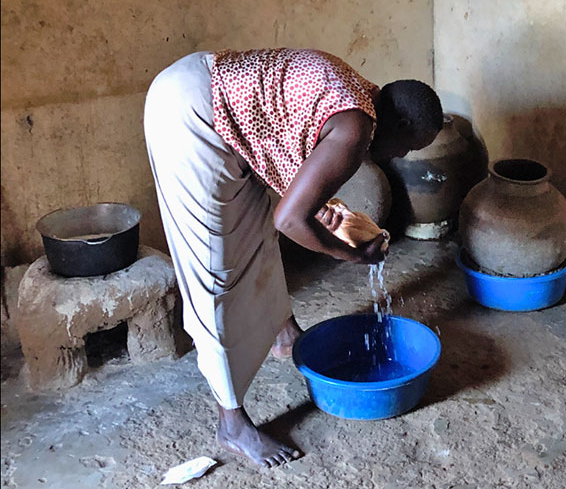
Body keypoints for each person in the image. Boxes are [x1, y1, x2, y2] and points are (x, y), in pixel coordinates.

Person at [143, 48, 443, 468]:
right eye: (411, 146)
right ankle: (231, 422)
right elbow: (291, 219)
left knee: (255, 230)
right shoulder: (356, 131)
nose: (403, 156)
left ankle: (283, 334)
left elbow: (289, 159)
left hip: (208, 91)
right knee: (213, 269)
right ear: (403, 123)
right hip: (192, 115)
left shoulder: (361, 99)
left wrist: (329, 216)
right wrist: (348, 254)